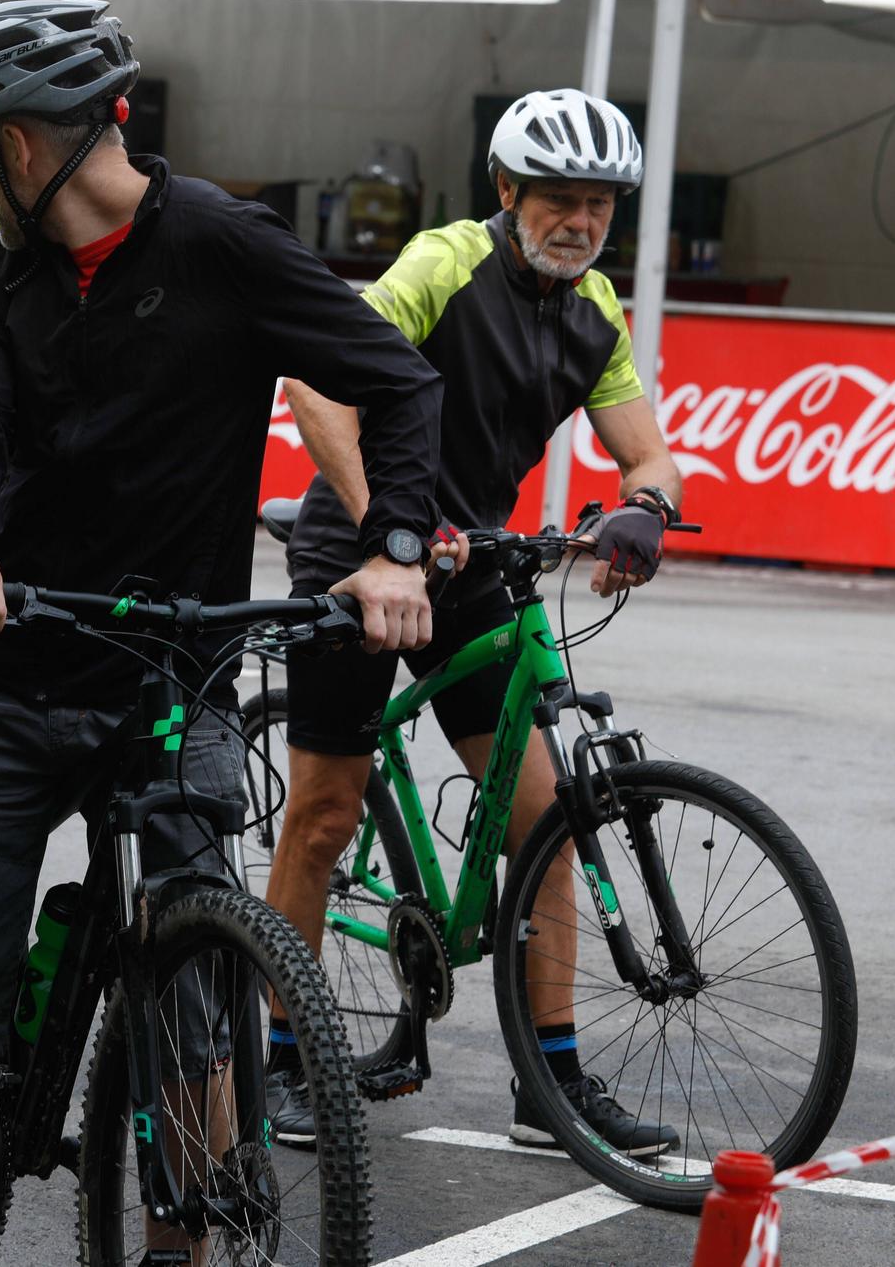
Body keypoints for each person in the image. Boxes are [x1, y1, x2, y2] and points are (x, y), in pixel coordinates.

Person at [0, 0, 447, 1264]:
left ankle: (178, 1253)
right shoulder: (10, 277)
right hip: (7, 675)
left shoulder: (222, 243)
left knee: (190, 1010)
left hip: (177, 680)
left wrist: (395, 552)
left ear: (18, 148)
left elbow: (395, 380)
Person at [261, 88, 686, 1155]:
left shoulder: (594, 311)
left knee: (544, 823)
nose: (579, 221)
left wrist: (644, 510)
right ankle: (278, 1058)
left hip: (471, 561)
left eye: (599, 205)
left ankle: (548, 1086)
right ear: (506, 192)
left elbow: (646, 455)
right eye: (557, 199)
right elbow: (318, 386)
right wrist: (389, 537)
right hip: (356, 552)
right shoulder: (444, 262)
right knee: (322, 811)